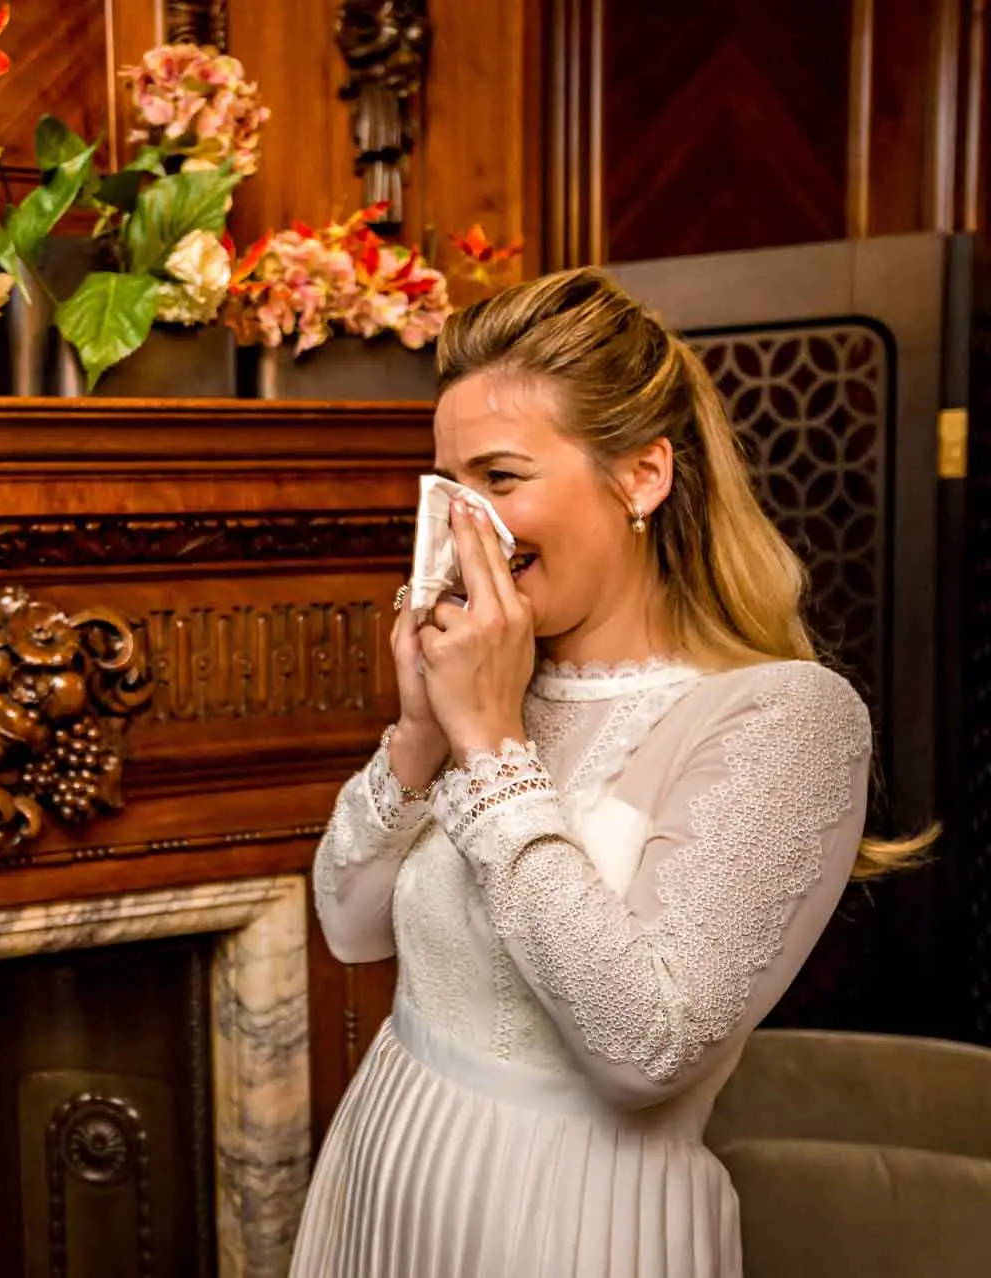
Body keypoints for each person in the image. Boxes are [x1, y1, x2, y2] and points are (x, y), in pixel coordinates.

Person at [290, 267, 928, 1277]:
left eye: (501, 479)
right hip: (391, 1161)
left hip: (572, 1219)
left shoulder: (783, 717)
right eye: (454, 488)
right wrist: (420, 729)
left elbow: (646, 1050)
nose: (468, 527)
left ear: (642, 477)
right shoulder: (499, 686)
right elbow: (348, 925)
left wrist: (491, 746)